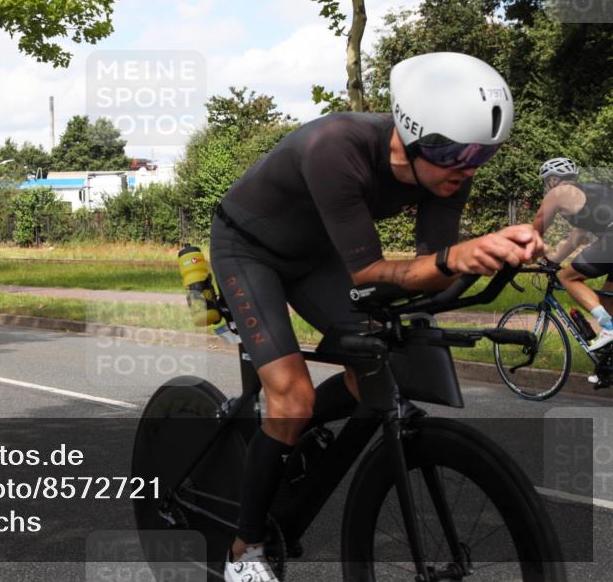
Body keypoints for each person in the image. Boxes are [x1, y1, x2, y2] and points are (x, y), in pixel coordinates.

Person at [210, 52, 544, 581]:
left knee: (378, 373)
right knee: (291, 395)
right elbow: (368, 271)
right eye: (457, 153)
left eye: (482, 155)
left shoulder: (447, 174)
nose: (468, 168)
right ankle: (243, 551)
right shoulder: (335, 148)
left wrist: (494, 256)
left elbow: (434, 275)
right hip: (249, 250)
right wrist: (452, 258)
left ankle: (278, 432)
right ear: (413, 136)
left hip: (315, 256)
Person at [533, 157, 613, 354]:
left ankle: (609, 330)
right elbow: (576, 237)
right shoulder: (592, 190)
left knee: (567, 277)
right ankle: (608, 363)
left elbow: (536, 229)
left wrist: (521, 256)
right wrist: (552, 259)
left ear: (552, 180)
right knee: (606, 302)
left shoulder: (558, 193)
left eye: (546, 182)